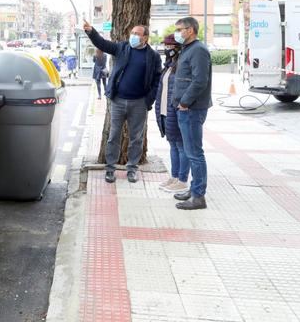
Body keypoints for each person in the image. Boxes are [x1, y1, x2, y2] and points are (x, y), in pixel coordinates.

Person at [83, 20, 162, 183]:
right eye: (132, 33)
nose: (133, 36)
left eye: (137, 34)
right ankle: (110, 168)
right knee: (113, 136)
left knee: (136, 138)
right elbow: (102, 44)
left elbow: (157, 80)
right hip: (118, 101)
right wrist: (91, 31)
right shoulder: (122, 47)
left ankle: (132, 169)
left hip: (139, 103)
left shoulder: (152, 56)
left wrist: (148, 100)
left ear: (145, 38)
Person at [171, 17, 212, 210]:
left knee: (195, 153)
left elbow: (199, 81)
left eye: (180, 29)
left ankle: (198, 196)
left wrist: (185, 102)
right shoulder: (188, 49)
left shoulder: (198, 50)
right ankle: (193, 189)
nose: (177, 33)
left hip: (192, 109)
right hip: (185, 108)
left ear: (191, 30)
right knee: (190, 151)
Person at [155, 34, 190, 194]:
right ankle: (174, 177)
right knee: (173, 145)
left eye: (170, 46)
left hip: (176, 110)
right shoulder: (168, 66)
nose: (167, 49)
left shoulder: (182, 65)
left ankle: (182, 180)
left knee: (181, 146)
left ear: (178, 48)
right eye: (166, 46)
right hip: (165, 110)